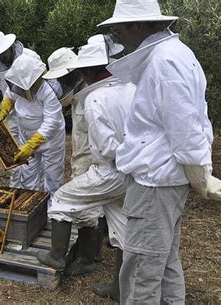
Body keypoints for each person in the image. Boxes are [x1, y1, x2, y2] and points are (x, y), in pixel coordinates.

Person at [98, 0, 221, 303]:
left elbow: (185, 129)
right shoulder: (173, 54)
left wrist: (201, 177)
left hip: (155, 184)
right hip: (163, 181)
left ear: (139, 26)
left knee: (142, 272)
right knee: (164, 263)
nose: (118, 36)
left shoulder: (165, 62)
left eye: (119, 30)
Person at [37, 37, 135, 301]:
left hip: (107, 170)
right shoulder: (127, 88)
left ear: (87, 71)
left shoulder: (94, 99)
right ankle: (119, 287)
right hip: (132, 172)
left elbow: (105, 149)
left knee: (61, 200)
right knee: (122, 229)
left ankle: (56, 258)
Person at [0, 53, 66, 202]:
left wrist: (31, 146)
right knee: (28, 180)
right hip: (25, 139)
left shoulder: (49, 90)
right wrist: (4, 109)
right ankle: (32, 212)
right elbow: (10, 96)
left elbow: (51, 122)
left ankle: (51, 216)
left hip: (50, 142)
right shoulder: (16, 83)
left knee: (52, 179)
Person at [0, 32, 39, 188]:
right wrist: (2, 109)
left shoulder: (30, 56)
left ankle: (38, 192)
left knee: (36, 155)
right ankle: (16, 188)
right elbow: (7, 90)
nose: (2, 57)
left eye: (4, 53)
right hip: (12, 112)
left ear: (10, 47)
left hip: (34, 111)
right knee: (12, 154)